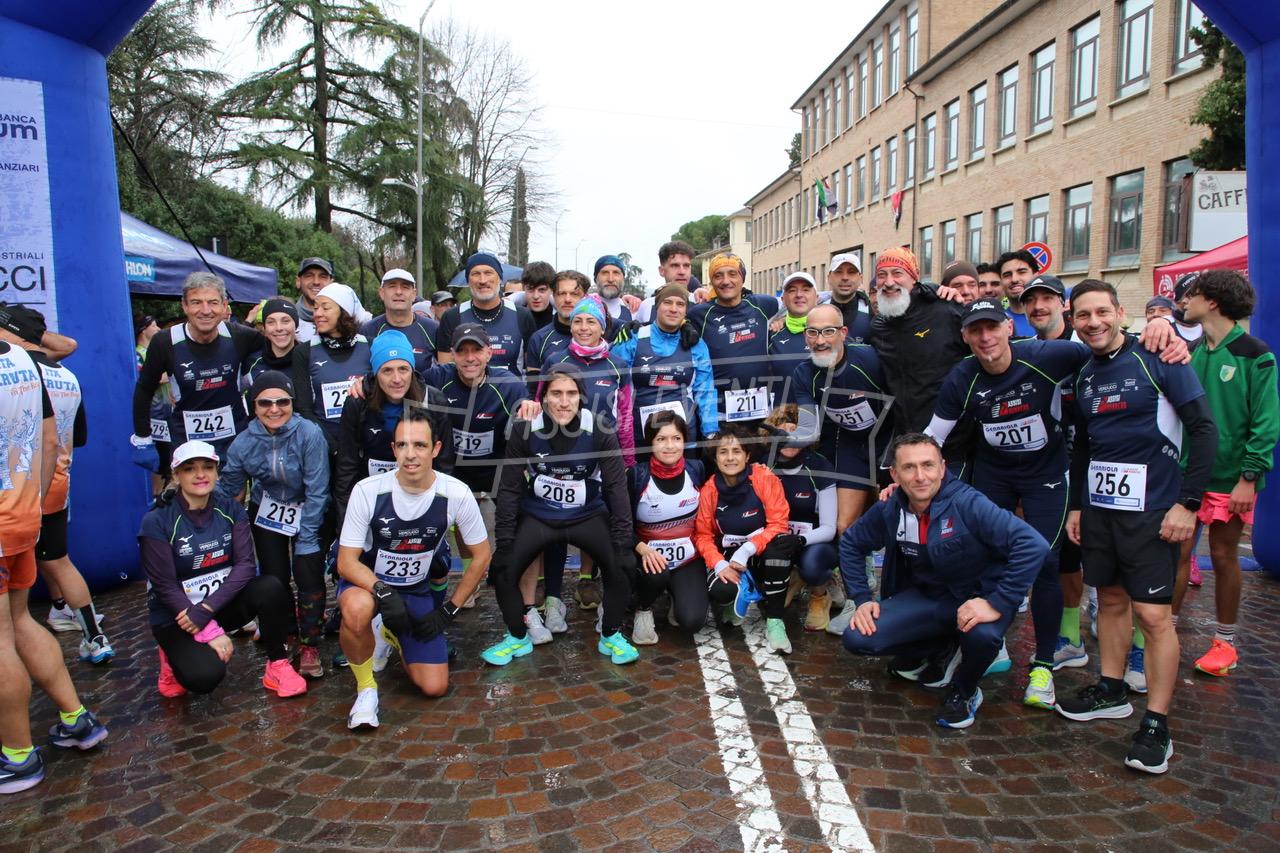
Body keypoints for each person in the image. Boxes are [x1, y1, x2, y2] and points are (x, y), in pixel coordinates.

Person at [1058, 279, 1217, 775]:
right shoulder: (1085, 375)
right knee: (1108, 599)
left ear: (1120, 313)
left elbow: (1204, 429)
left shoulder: (1160, 358)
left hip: (1153, 512)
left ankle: (1156, 723)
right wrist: (1078, 506)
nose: (1094, 323)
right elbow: (1084, 445)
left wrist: (1188, 504)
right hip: (1102, 509)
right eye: (1083, 315)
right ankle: (1111, 689)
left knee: (1153, 616)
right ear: (1073, 321)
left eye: (1102, 312)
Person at [841, 434, 1047, 729]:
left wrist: (997, 602)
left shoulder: (968, 503)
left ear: (942, 467)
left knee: (982, 636)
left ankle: (965, 690)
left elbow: (1033, 545)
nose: (920, 476)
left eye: (928, 465)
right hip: (931, 598)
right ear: (895, 475)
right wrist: (862, 598)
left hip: (979, 600)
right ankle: (940, 647)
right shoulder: (892, 506)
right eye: (909, 467)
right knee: (859, 637)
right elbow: (851, 542)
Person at [336, 405, 491, 727]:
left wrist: (449, 610)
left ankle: (392, 634)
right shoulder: (367, 491)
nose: (410, 454)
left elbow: (481, 555)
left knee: (434, 687)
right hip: (369, 586)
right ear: (393, 449)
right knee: (357, 609)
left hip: (416, 590)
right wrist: (383, 592)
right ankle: (366, 690)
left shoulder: (456, 493)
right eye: (403, 445)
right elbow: (346, 562)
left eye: (420, 445)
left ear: (436, 448)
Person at [0, 328, 107, 794]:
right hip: (26, 514)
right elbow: (50, 442)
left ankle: (18, 755)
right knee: (20, 621)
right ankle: (75, 717)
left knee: (2, 636)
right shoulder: (25, 363)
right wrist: (34, 506)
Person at [485, 364, 639, 666]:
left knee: (623, 565)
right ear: (544, 397)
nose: (564, 402)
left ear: (581, 397)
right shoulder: (525, 429)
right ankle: (517, 637)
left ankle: (610, 634)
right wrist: (503, 543)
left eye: (571, 394)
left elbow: (616, 488)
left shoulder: (600, 428)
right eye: (556, 393)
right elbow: (510, 488)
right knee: (502, 569)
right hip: (540, 515)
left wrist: (623, 542)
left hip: (586, 514)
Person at [140, 440, 308, 702]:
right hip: (177, 615)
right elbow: (164, 585)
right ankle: (170, 657)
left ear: (217, 472)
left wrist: (206, 612)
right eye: (189, 469)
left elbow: (245, 566)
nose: (200, 474)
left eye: (207, 467)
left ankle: (277, 665)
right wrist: (206, 629)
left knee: (271, 587)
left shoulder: (230, 508)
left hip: (215, 607)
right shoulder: (157, 520)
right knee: (205, 677)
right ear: (176, 475)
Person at [1172, 270, 1279, 677]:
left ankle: (1225, 642)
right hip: (1188, 475)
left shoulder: (1256, 354)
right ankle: (1164, 632)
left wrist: (1248, 477)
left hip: (1232, 479)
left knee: (1222, 554)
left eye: (1193, 294)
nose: (1185, 302)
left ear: (1212, 301)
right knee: (1177, 553)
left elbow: (1265, 421)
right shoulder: (1192, 352)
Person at [0, 309, 115, 666]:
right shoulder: (66, 374)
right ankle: (72, 617)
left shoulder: (18, 367)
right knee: (54, 560)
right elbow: (77, 437)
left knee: (52, 565)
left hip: (22, 488)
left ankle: (93, 635)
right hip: (55, 481)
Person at [216, 371, 330, 677]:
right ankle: (286, 633)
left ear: (292, 402)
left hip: (308, 507)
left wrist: (308, 537)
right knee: (274, 578)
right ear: (254, 406)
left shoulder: (309, 433)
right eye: (265, 402)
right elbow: (228, 487)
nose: (274, 409)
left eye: (282, 401)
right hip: (267, 510)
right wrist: (189, 497)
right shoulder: (243, 443)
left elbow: (318, 489)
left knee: (307, 572)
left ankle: (310, 643)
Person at [131, 273, 265, 466]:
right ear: (184, 306)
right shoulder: (165, 341)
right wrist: (143, 438)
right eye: (196, 302)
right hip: (187, 444)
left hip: (234, 441)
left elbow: (277, 354)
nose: (205, 310)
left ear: (224, 305)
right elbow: (144, 389)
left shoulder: (242, 336)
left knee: (233, 486)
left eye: (212, 302)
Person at [692, 424, 794, 652]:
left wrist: (748, 549)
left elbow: (779, 524)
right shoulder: (709, 490)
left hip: (759, 553)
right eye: (723, 452)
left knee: (781, 546)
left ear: (747, 455)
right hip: (729, 556)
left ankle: (775, 621)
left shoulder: (764, 478)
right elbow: (703, 535)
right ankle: (739, 592)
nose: (730, 458)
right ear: (715, 457)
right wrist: (719, 564)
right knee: (722, 591)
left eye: (737, 451)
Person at [868, 247, 970, 460]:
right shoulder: (879, 326)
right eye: (882, 275)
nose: (889, 282)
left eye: (897, 273)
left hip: (955, 440)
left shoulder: (946, 310)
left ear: (914, 277)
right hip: (907, 441)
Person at [628, 411, 711, 642]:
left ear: (684, 440)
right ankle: (643, 609)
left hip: (687, 558)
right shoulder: (637, 475)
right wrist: (641, 548)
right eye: (661, 439)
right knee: (656, 574)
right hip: (647, 557)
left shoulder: (697, 469)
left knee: (692, 621)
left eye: (676, 438)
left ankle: (676, 593)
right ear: (651, 442)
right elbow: (620, 523)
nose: (670, 446)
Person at [762, 406, 840, 632]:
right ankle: (792, 576)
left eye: (797, 432)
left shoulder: (820, 466)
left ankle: (820, 595)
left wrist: (800, 540)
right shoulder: (766, 464)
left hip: (816, 542)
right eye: (783, 432)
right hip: (779, 539)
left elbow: (829, 528)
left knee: (812, 565)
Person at [613, 282, 719, 444]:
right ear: (657, 306)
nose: (674, 309)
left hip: (683, 437)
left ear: (686, 310)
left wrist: (710, 432)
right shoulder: (634, 338)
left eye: (680, 304)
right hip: (641, 436)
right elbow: (614, 385)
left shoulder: (694, 343)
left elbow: (705, 391)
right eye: (667, 302)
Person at [688, 253, 781, 427]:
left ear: (742, 278)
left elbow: (800, 304)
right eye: (718, 276)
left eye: (732, 274)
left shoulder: (764, 304)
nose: (726, 281)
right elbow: (670, 316)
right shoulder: (699, 314)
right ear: (712, 282)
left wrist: (782, 320)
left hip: (763, 412)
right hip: (721, 414)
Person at [292, 283, 372, 449]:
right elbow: (304, 409)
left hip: (365, 443)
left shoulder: (370, 346)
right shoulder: (304, 352)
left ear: (344, 311)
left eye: (325, 308)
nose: (318, 314)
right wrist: (333, 447)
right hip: (325, 446)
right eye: (316, 308)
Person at [436, 253, 536, 373]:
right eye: (476, 274)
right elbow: (445, 373)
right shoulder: (452, 317)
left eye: (488, 273)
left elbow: (533, 370)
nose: (483, 280)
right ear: (468, 280)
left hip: (511, 385)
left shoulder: (522, 315)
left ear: (500, 278)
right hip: (466, 385)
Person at [360, 268, 438, 374]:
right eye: (392, 286)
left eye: (405, 287)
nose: (398, 292)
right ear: (382, 293)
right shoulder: (367, 331)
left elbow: (445, 373)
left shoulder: (433, 329)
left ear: (414, 294)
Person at [133, 311, 173, 496]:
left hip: (166, 412)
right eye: (154, 325)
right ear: (143, 330)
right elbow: (145, 380)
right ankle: (157, 496)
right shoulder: (137, 353)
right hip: (153, 415)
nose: (158, 329)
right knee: (159, 458)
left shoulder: (157, 351)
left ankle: (164, 493)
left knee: (167, 457)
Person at [768, 271, 820, 398]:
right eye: (792, 290)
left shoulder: (830, 333)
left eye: (806, 290)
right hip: (782, 410)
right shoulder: (771, 334)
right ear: (783, 300)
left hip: (820, 409)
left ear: (817, 298)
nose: (799, 295)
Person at [525, 270, 584, 376]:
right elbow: (533, 385)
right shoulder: (538, 339)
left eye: (574, 294)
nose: (567, 299)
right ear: (554, 296)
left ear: (585, 297)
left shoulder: (601, 333)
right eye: (561, 294)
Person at [634, 241, 696, 325]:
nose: (682, 272)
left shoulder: (701, 303)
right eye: (675, 265)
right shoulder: (646, 306)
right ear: (661, 271)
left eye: (686, 266)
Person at [243, 298, 300, 385]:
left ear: (296, 325)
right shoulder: (251, 362)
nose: (279, 328)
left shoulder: (309, 359)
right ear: (264, 328)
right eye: (271, 322)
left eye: (285, 321)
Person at [825, 253, 872, 343]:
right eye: (838, 272)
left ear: (861, 278)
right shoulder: (818, 310)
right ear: (829, 278)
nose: (845, 277)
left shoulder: (871, 311)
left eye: (851, 272)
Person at [995, 249, 1039, 338]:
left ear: (1036, 276)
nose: (1014, 279)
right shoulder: (997, 320)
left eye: (1022, 272)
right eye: (1007, 275)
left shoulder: (1051, 317)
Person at [293, 257, 335, 343]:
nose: (316, 282)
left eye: (323, 276)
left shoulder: (343, 321)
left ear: (331, 283)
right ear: (298, 281)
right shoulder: (286, 321)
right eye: (309, 276)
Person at [592, 255, 634, 326]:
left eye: (616, 273)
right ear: (595, 279)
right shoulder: (582, 308)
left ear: (623, 278)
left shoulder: (634, 311)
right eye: (605, 273)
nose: (610, 279)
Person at [521, 261, 556, 328]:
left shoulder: (562, 320)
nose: (536, 296)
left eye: (542, 290)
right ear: (523, 288)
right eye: (530, 289)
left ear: (552, 289)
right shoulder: (513, 317)